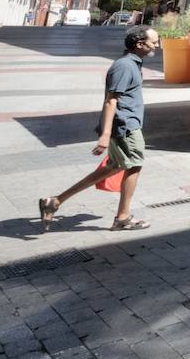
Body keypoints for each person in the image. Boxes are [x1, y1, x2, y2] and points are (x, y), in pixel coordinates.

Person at [39, 25, 159, 231]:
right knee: (133, 166)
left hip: (126, 125)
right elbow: (111, 101)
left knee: (114, 167)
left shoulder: (131, 64)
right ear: (140, 44)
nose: (157, 45)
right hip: (126, 128)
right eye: (154, 42)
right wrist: (105, 135)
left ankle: (55, 201)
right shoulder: (125, 66)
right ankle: (122, 217)